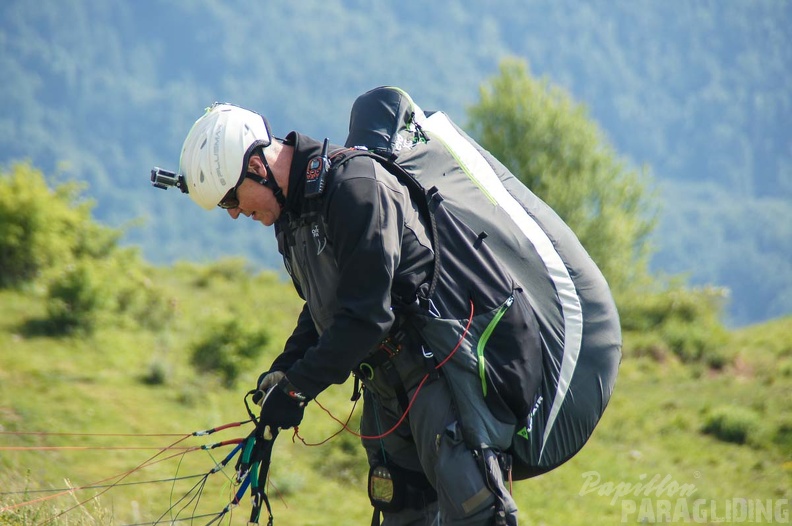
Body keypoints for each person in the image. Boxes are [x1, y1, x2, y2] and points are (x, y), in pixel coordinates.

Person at [177, 102, 519, 525]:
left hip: (438, 378)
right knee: (403, 516)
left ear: (257, 168)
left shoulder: (355, 189)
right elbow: (323, 305)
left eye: (231, 197)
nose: (232, 212)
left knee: (477, 515)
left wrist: (298, 389)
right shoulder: (295, 212)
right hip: (388, 394)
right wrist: (285, 370)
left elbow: (365, 317)